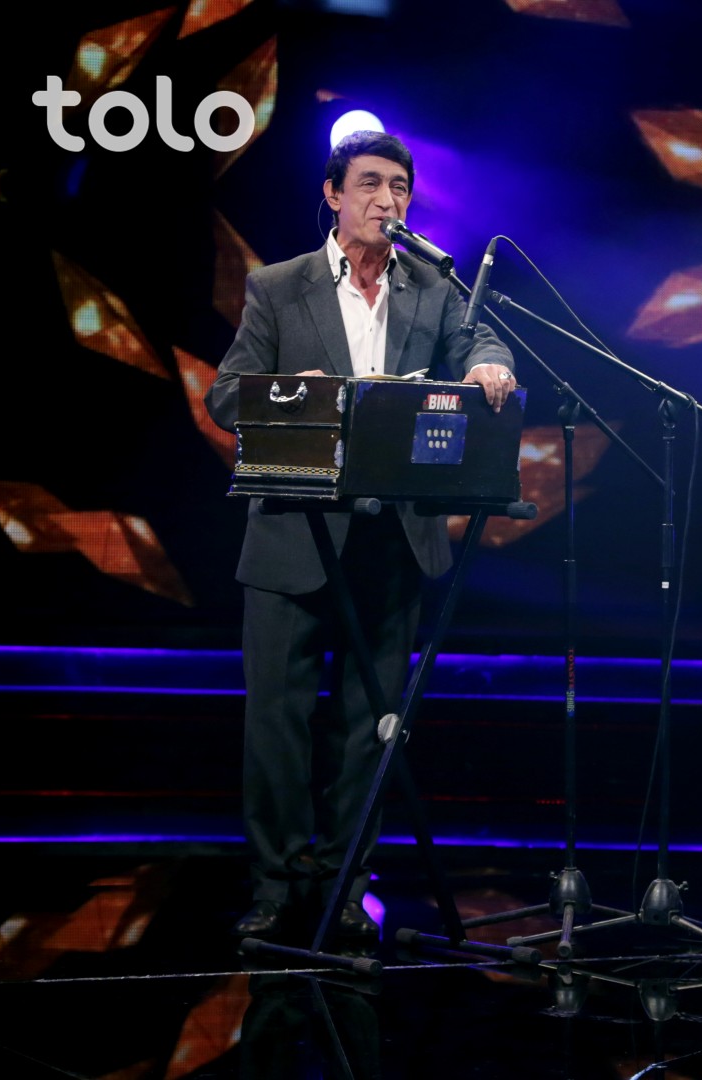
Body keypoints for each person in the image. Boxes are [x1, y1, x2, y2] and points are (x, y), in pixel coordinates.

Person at [204, 131, 516, 941]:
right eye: (371, 183)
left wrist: (488, 364)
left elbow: (478, 337)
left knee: (368, 728)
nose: (388, 199)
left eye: (400, 187)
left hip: (394, 541)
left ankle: (345, 883)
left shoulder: (433, 288)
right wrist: (290, 395)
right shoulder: (280, 286)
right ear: (333, 194)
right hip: (294, 538)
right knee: (276, 725)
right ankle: (276, 886)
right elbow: (225, 397)